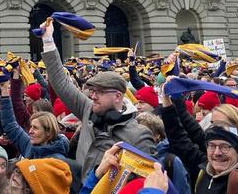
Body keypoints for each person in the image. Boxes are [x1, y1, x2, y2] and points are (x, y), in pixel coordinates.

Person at [39, 20, 155, 179]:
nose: (92, 96)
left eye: (99, 92)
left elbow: (145, 181)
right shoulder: (88, 109)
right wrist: (47, 40)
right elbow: (61, 83)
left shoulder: (138, 135)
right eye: (92, 91)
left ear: (117, 96)